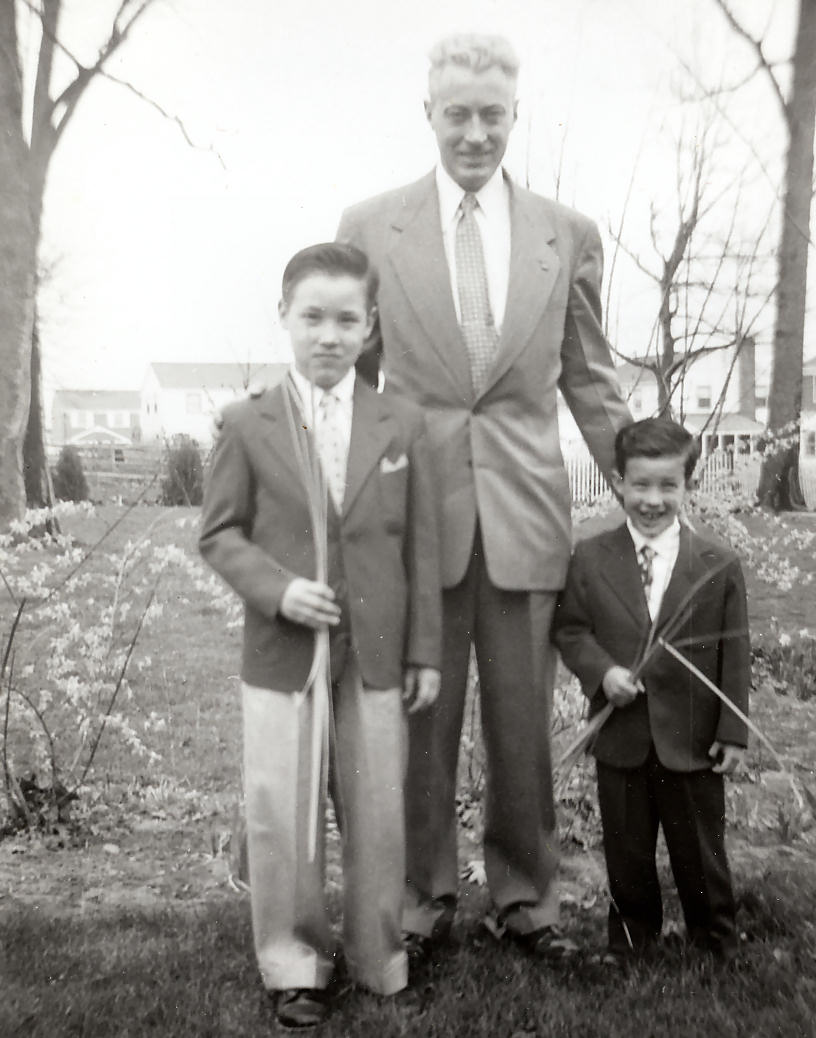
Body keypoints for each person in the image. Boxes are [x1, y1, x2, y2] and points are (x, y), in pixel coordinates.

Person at [337, 33, 631, 959]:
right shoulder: (371, 226)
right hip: (416, 521)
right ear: (429, 114)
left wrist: (648, 487)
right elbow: (352, 382)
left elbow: (589, 377)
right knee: (421, 728)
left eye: (491, 115)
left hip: (524, 518)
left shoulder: (566, 232)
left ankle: (529, 904)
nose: (474, 133)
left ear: (515, 116)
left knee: (521, 732)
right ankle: (422, 905)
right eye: (456, 113)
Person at [199, 243, 441, 1029]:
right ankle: (295, 961)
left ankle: (378, 956)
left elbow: (422, 547)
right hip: (283, 654)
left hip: (374, 651)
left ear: (371, 327)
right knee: (285, 808)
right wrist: (278, 589)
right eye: (313, 317)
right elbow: (220, 534)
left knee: (377, 805)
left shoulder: (401, 422)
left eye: (347, 320)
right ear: (284, 320)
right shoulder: (246, 422)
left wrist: (425, 652)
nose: (329, 336)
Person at [551, 418, 750, 961]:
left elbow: (734, 652)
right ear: (618, 482)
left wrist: (733, 732)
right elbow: (570, 629)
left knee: (699, 850)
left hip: (691, 739)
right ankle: (632, 938)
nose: (653, 499)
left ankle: (715, 940)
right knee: (626, 847)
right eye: (640, 485)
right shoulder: (591, 557)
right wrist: (602, 672)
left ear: (689, 484)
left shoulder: (717, 564)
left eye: (668, 486)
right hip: (622, 737)